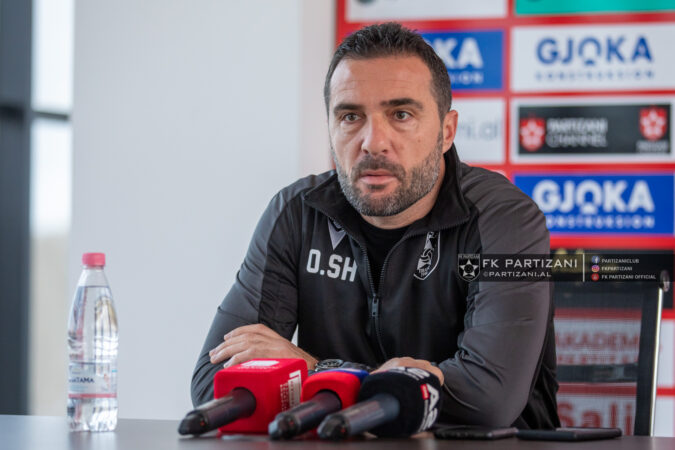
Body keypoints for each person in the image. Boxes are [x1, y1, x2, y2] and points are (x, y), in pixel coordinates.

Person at [191, 22, 559, 429]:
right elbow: (215, 385)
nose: (373, 142)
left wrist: (317, 369)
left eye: (401, 115)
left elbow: (487, 402)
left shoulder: (508, 219)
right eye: (351, 116)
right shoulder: (296, 213)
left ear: (446, 132)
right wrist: (387, 383)